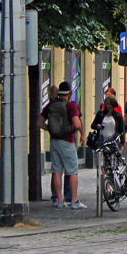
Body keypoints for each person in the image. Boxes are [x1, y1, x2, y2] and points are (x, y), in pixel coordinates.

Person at [39, 81, 85, 209]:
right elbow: (77, 124)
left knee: (57, 171)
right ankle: (74, 201)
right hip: (67, 141)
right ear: (70, 93)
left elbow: (39, 122)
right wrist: (72, 130)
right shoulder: (71, 106)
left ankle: (59, 200)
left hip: (54, 141)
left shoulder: (51, 105)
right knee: (72, 171)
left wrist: (51, 129)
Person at [91, 94, 126, 167]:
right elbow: (93, 125)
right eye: (107, 104)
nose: (108, 106)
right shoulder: (100, 114)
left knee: (112, 164)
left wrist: (122, 144)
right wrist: (97, 126)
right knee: (103, 164)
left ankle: (111, 177)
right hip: (102, 142)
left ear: (113, 105)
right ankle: (104, 177)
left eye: (110, 104)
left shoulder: (117, 116)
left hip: (113, 143)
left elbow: (121, 130)